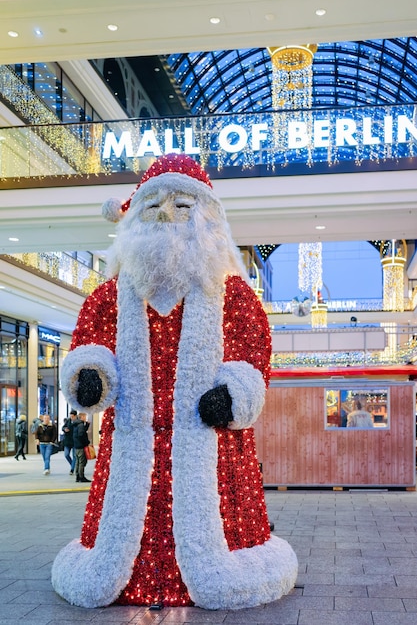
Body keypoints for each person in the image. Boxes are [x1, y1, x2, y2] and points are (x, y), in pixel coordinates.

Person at [52, 153, 297, 610]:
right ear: (135, 218)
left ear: (205, 219)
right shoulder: (110, 296)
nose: (167, 214)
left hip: (209, 446)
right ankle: (127, 577)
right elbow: (90, 344)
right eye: (154, 207)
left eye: (182, 207)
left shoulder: (233, 295)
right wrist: (90, 375)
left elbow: (252, 353)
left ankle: (214, 572)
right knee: (127, 521)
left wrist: (232, 393)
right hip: (132, 440)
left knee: (209, 523)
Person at [72, 412, 91, 483]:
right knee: (82, 462)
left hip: (76, 445)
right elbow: (81, 434)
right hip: (81, 446)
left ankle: (77, 476)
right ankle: (81, 476)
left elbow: (82, 431)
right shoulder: (81, 425)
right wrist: (86, 442)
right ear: (82, 417)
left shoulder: (76, 424)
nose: (85, 418)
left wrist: (87, 425)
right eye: (85, 416)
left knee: (77, 461)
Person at [62, 409, 77, 475]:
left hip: (75, 441)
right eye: (70, 416)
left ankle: (72, 469)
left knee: (74, 456)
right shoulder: (68, 421)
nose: (71, 418)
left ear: (75, 416)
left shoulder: (78, 422)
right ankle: (72, 465)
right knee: (66, 454)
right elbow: (63, 427)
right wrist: (65, 429)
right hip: (67, 441)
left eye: (72, 416)